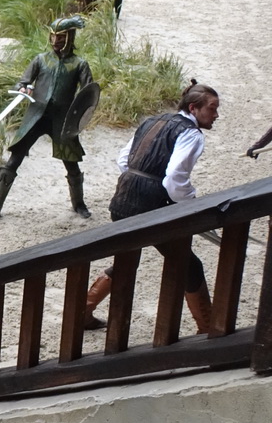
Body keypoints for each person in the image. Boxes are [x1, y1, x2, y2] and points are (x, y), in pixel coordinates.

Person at [83, 81, 220, 333]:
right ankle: (209, 327)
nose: (216, 115)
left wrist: (139, 182)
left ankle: (83, 312)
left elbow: (124, 160)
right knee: (189, 265)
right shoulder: (191, 134)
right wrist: (191, 203)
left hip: (123, 199)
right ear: (193, 108)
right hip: (152, 208)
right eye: (212, 109)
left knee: (127, 258)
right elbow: (175, 178)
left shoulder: (151, 121)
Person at [0, 16, 95, 223]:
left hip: (62, 120)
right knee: (14, 161)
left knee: (71, 163)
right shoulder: (41, 60)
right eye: (53, 37)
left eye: (60, 37)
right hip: (36, 116)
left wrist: (80, 118)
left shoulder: (79, 64)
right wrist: (23, 88)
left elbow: (88, 94)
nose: (55, 41)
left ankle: (78, 203)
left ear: (69, 37)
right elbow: (22, 82)